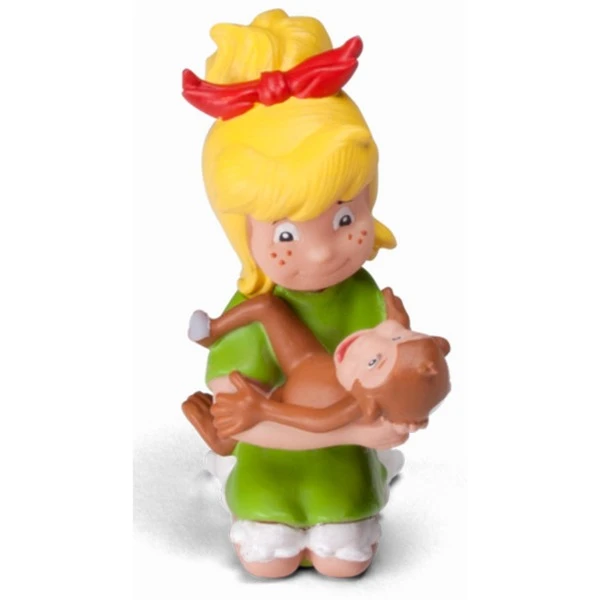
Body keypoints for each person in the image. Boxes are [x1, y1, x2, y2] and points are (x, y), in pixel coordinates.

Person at [183, 9, 410, 578]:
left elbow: (391, 375)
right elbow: (240, 421)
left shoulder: (364, 297)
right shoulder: (251, 315)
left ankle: (369, 480)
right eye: (286, 234)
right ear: (243, 234)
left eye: (344, 218)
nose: (321, 252)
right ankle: (246, 491)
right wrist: (356, 430)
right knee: (269, 561)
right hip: (270, 465)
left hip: (342, 467)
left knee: (342, 559)